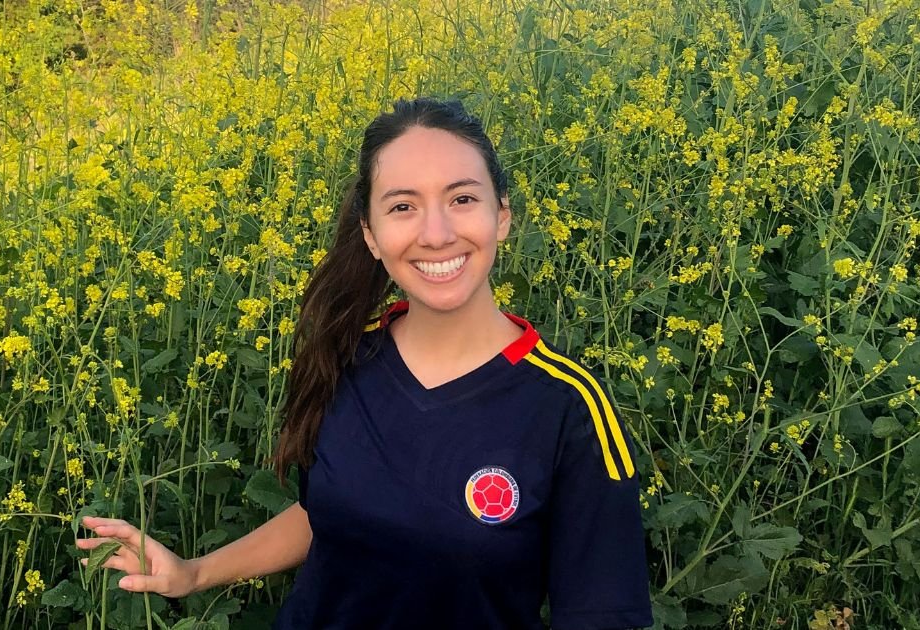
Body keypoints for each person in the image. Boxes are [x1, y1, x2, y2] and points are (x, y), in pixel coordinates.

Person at [76, 97, 653, 629]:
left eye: (462, 199)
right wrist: (193, 572)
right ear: (371, 235)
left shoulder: (569, 410)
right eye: (403, 207)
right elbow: (326, 515)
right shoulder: (345, 356)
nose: (436, 234)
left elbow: (600, 613)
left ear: (502, 215)